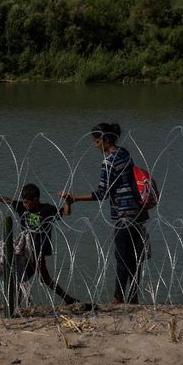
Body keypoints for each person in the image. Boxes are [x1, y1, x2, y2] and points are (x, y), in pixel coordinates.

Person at [60, 123, 148, 304]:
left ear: (106, 139)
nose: (95, 145)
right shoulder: (125, 153)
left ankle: (118, 298)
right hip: (138, 212)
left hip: (124, 214)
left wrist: (73, 198)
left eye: (97, 140)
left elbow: (102, 193)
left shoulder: (108, 162)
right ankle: (133, 297)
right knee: (134, 257)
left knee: (123, 257)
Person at [0, 183, 85, 306]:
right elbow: (7, 201)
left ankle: (16, 305)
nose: (25, 205)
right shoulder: (22, 207)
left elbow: (65, 212)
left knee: (37, 278)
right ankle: (17, 305)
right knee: (24, 277)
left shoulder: (47, 210)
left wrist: (68, 202)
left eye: (27, 202)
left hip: (38, 251)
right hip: (25, 250)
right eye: (24, 202)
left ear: (35, 200)